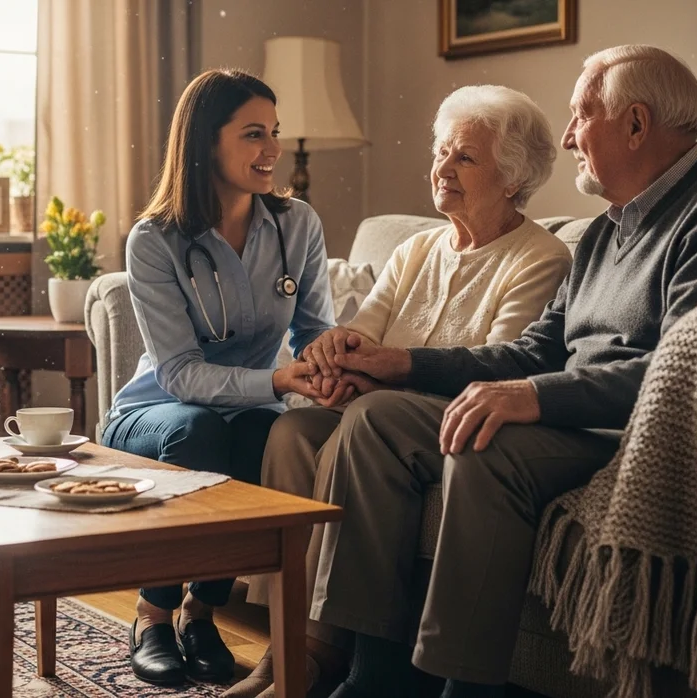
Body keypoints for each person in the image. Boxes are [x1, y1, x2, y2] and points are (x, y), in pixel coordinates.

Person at [303, 45, 697, 698]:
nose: (567, 138)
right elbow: (531, 354)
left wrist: (532, 397)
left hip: (638, 438)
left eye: (581, 116)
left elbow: (690, 369)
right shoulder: (603, 234)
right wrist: (397, 364)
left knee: (486, 446)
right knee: (376, 422)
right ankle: (376, 677)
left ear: (636, 124)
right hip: (572, 421)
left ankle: (465, 687)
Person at [226, 84, 572, 698]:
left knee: (364, 423)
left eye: (465, 157)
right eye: (441, 151)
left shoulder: (539, 257)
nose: (442, 167)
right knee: (294, 431)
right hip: (378, 409)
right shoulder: (417, 248)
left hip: (454, 421)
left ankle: (320, 651)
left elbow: (501, 364)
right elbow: (363, 332)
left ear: (514, 177)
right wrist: (335, 355)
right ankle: (284, 641)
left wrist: (376, 370)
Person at [102, 68, 334, 687]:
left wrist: (329, 368)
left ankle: (201, 613)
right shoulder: (155, 240)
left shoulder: (297, 225)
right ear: (207, 141)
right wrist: (281, 383)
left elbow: (313, 332)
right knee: (200, 431)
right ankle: (153, 615)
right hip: (156, 413)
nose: (273, 150)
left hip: (251, 408)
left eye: (275, 133)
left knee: (267, 436)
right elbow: (178, 374)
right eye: (253, 134)